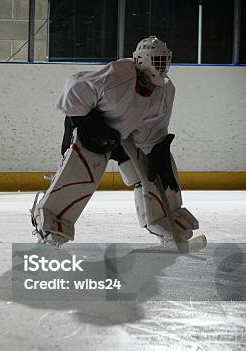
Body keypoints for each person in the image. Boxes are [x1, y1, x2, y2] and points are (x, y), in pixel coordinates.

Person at [31, 36, 199, 245]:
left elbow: (152, 130)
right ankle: (49, 227)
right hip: (95, 129)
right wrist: (84, 120)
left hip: (125, 134)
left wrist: (157, 151)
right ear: (140, 60)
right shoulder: (118, 74)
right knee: (81, 174)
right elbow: (75, 85)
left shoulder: (165, 90)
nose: (162, 66)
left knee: (155, 174)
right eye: (157, 60)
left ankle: (166, 222)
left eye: (164, 60)